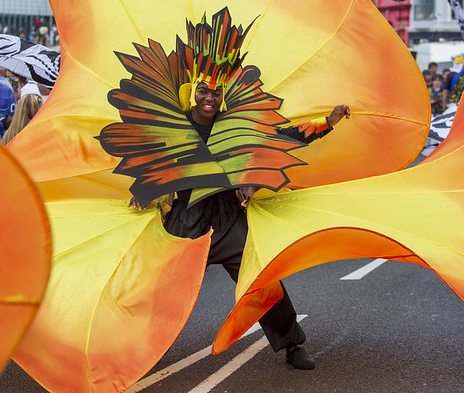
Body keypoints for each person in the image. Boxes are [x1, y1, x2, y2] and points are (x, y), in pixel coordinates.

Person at [130, 82, 350, 370]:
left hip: (228, 218)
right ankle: (134, 350)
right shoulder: (175, 124)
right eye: (203, 91)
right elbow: (153, 157)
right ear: (192, 92)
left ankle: (292, 344)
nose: (209, 98)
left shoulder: (233, 124)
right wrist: (142, 187)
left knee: (262, 280)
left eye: (216, 93)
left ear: (222, 97)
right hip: (186, 221)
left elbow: (279, 140)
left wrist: (327, 121)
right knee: (156, 287)